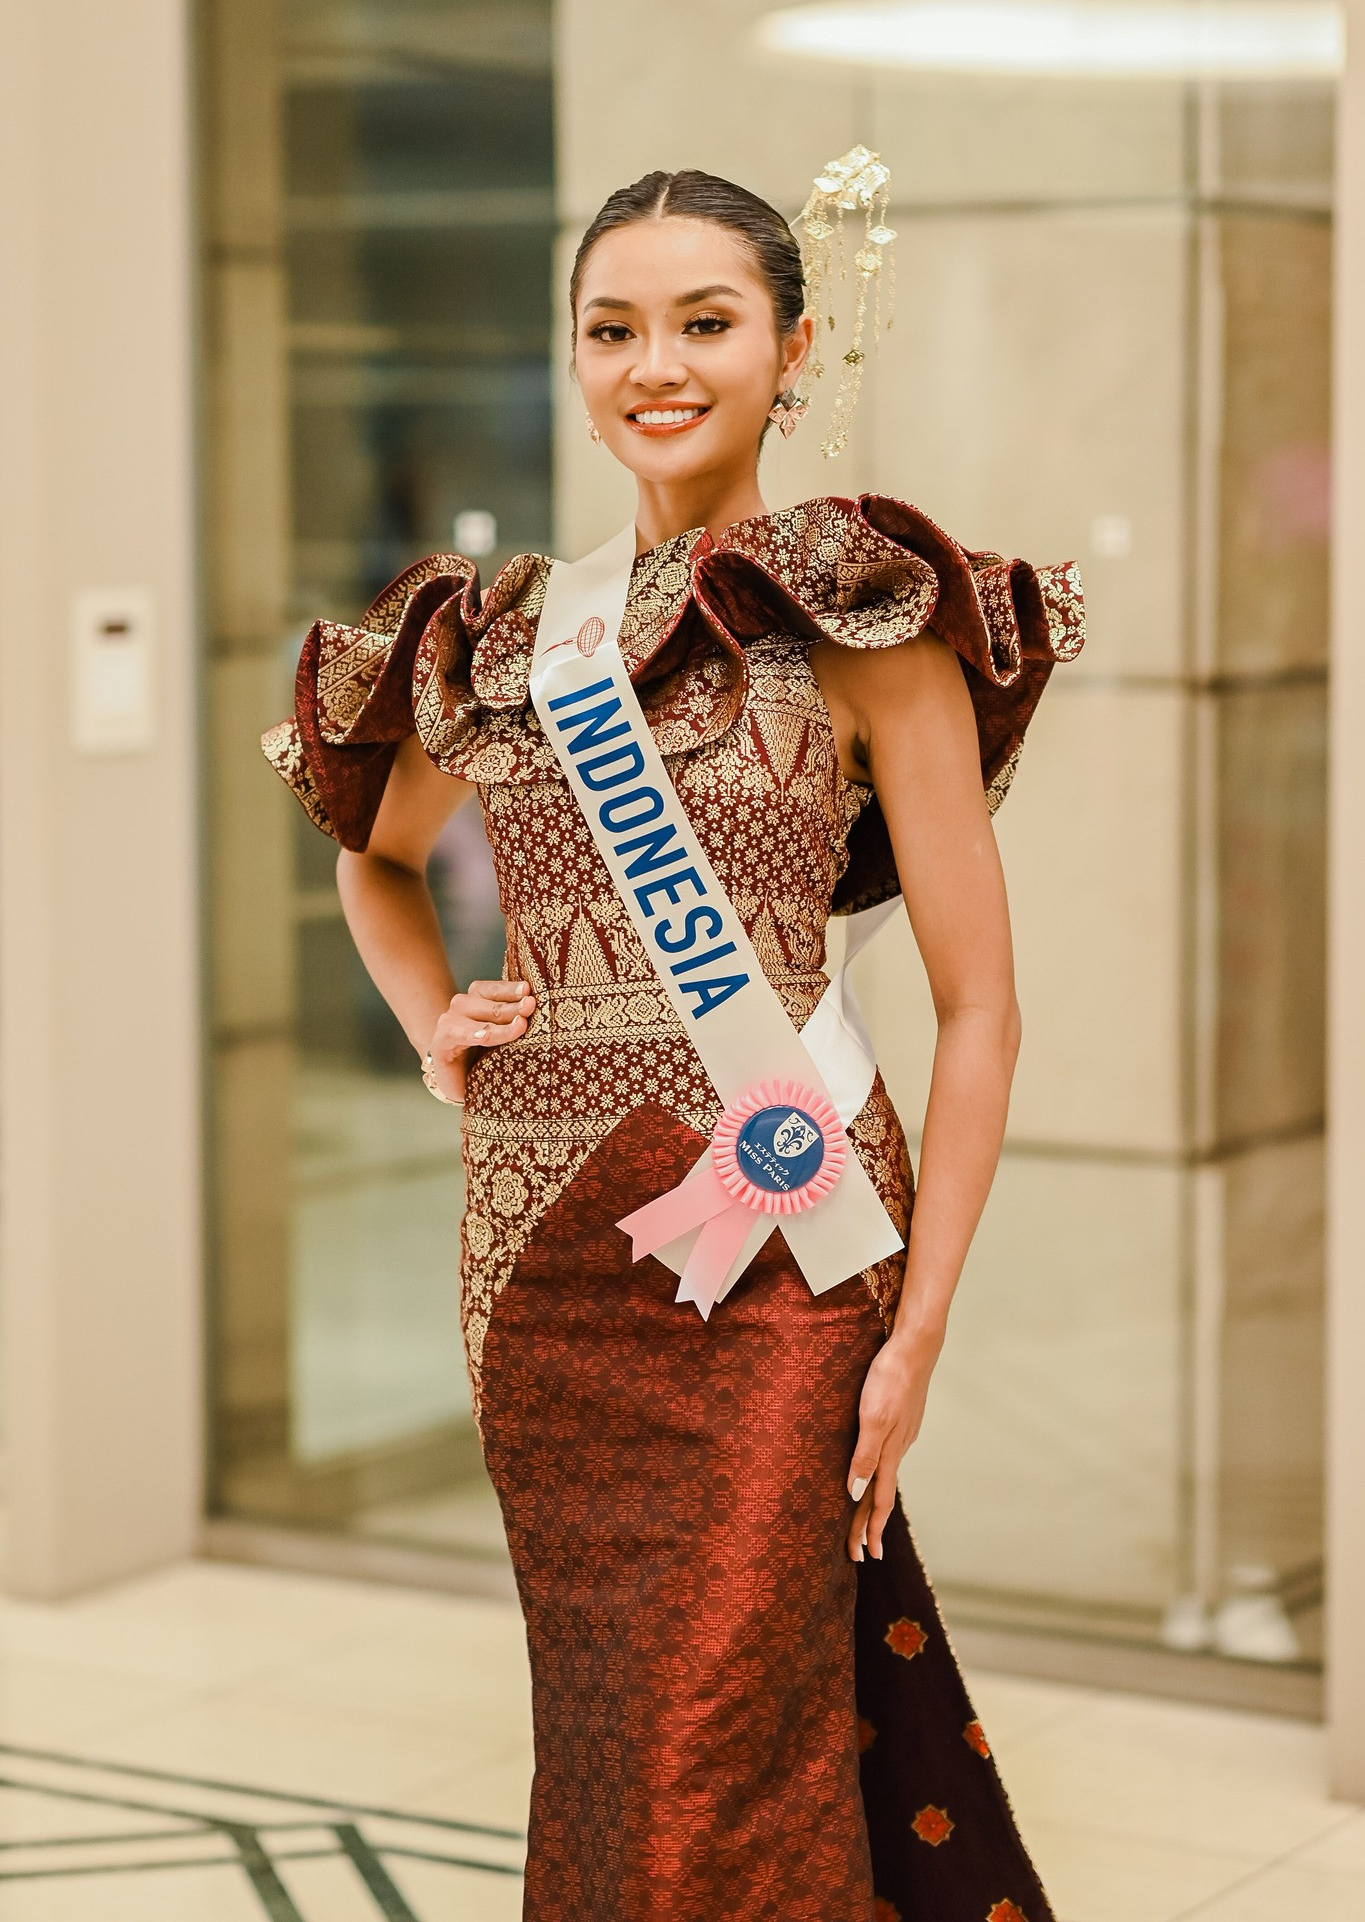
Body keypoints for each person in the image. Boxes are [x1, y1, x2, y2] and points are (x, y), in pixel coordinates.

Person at [263, 157, 1084, 1922]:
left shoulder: (866, 619)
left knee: (727, 1725)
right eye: (611, 327)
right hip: (539, 1267)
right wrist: (438, 1023)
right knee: (613, 1723)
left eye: (705, 322)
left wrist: (918, 1328)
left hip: (787, 1259)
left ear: (792, 348)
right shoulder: (494, 641)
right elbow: (377, 870)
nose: (657, 364)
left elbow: (978, 1005)